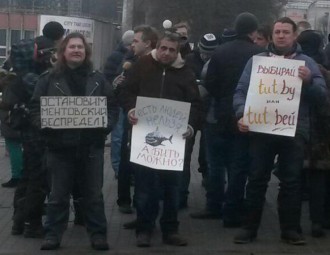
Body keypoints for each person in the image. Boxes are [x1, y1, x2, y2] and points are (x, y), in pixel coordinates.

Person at [233, 17, 327, 245]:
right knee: (256, 179)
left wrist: (308, 83)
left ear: (295, 35)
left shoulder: (307, 63)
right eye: (277, 32)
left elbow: (322, 96)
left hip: (293, 132)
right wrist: (240, 114)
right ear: (272, 35)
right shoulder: (257, 61)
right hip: (261, 130)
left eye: (286, 32)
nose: (281, 35)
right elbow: (241, 91)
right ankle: (249, 228)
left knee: (291, 182)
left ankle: (290, 230)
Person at [30, 32, 118, 250]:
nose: (76, 50)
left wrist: (105, 127)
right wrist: (45, 124)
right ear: (63, 51)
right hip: (59, 148)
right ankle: (52, 234)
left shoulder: (98, 79)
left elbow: (112, 107)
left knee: (94, 196)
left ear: (86, 52)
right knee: (58, 196)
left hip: (90, 147)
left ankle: (98, 234)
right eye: (72, 47)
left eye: (80, 47)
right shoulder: (48, 80)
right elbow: (34, 108)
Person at [120, 30, 203, 247]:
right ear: (157, 46)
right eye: (163, 48)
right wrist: (130, 110)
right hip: (144, 138)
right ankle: (144, 228)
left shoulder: (186, 72)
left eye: (172, 50)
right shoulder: (142, 65)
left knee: (172, 188)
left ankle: (170, 229)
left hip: (173, 143)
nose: (166, 53)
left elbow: (195, 104)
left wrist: (191, 126)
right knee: (145, 187)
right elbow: (126, 91)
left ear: (178, 52)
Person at [190, 13, 263, 227]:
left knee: (215, 165)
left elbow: (209, 84)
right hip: (245, 117)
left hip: (217, 116)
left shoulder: (219, 52)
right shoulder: (260, 53)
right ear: (253, 32)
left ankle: (213, 206)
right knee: (238, 167)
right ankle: (233, 210)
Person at [8, 21, 65, 239]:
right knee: (39, 180)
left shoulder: (23, 71)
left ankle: (18, 221)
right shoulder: (37, 78)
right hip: (39, 130)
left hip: (27, 129)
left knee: (28, 177)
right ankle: (32, 223)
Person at [116, 25, 159, 216]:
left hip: (152, 122)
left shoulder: (157, 65)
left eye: (136, 41)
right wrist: (117, 86)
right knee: (126, 160)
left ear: (148, 43)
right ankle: (124, 199)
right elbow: (124, 93)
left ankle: (143, 205)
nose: (132, 44)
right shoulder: (130, 62)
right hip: (133, 119)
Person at [181, 33, 217, 203]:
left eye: (210, 53)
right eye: (204, 52)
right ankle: (182, 193)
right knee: (186, 152)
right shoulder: (189, 59)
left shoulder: (218, 60)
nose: (206, 56)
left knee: (207, 151)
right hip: (191, 110)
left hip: (209, 110)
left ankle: (207, 177)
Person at [104, 30, 134, 178]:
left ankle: (125, 167)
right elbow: (107, 78)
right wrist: (116, 81)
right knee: (118, 136)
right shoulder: (116, 57)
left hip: (128, 100)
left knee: (125, 136)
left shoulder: (134, 57)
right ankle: (117, 167)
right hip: (117, 101)